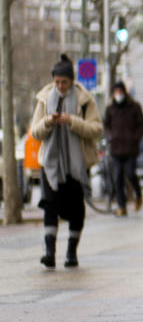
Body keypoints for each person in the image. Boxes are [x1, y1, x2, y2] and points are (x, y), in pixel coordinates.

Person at [29, 54, 102, 268]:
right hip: (51, 163)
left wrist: (72, 121)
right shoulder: (44, 99)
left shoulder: (85, 100)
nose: (60, 86)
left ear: (72, 81)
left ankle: (71, 252)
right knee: (50, 205)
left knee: (76, 209)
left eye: (64, 82)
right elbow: (35, 132)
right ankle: (49, 252)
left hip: (76, 164)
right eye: (57, 82)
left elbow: (96, 129)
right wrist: (48, 122)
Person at [103, 81, 143, 216]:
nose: (118, 95)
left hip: (130, 149)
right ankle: (122, 206)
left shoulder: (134, 107)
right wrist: (110, 136)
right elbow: (106, 125)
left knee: (130, 173)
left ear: (124, 92)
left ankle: (138, 194)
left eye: (120, 92)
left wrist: (135, 138)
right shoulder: (110, 108)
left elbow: (142, 125)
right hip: (116, 149)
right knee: (117, 178)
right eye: (115, 92)